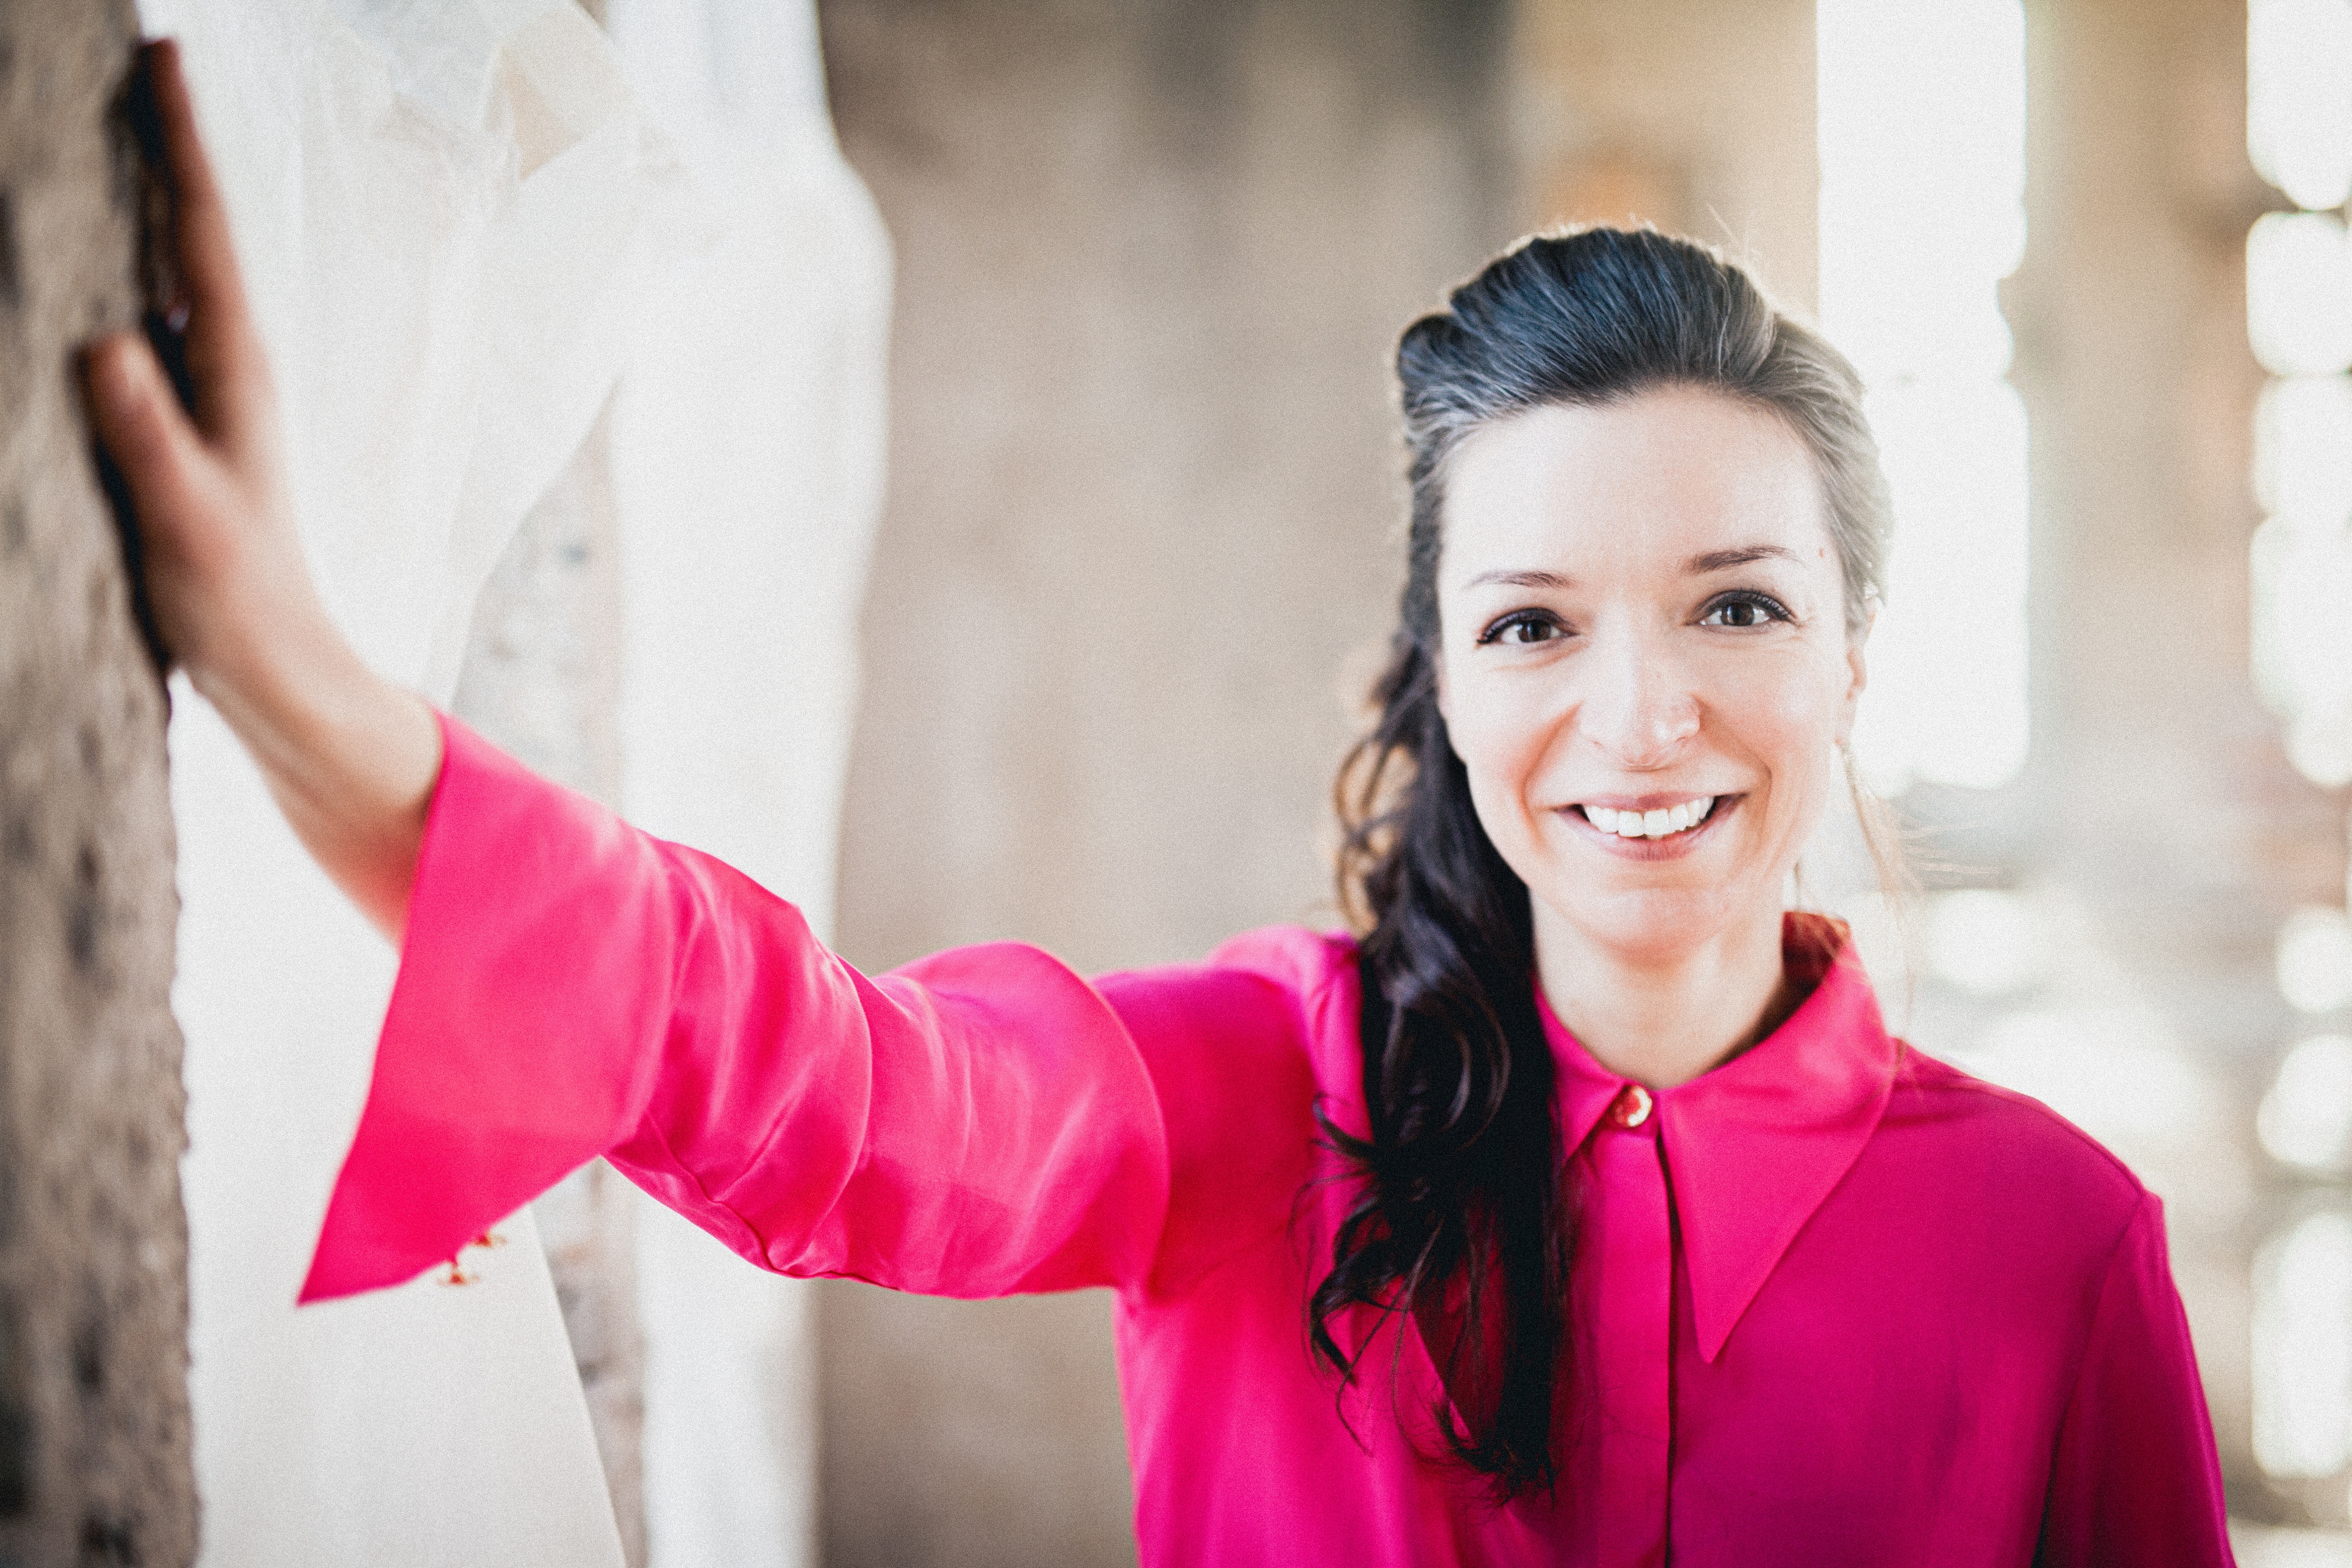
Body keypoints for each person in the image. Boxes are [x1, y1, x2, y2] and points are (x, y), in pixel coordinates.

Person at [89, 41, 2232, 1568]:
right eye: (1533, 626)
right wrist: (316, 699)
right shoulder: (1254, 1094)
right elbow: (848, 1084)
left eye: (1736, 603)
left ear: (1859, 646)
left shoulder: (2058, 1250)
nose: (1641, 714)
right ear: (1444, 680)